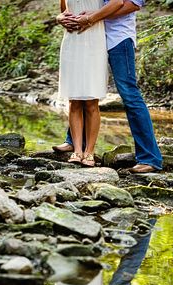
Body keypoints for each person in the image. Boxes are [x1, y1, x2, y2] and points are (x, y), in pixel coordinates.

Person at [54, 0, 163, 173]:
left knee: (129, 94)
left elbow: (132, 4)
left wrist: (92, 17)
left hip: (117, 38)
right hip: (90, 36)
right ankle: (75, 143)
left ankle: (150, 158)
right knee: (82, 88)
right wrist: (67, 17)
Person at [58, 0, 125, 167]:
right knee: (74, 100)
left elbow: (118, 3)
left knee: (91, 101)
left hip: (94, 38)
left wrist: (90, 19)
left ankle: (89, 151)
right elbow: (65, 10)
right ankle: (77, 151)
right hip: (71, 40)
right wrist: (60, 18)